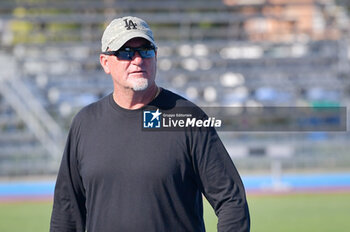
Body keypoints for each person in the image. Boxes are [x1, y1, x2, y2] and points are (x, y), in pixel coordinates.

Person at [50, 16, 250, 232]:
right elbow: (66, 213)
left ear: (155, 56)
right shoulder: (85, 123)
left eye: (145, 51)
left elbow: (232, 201)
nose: (137, 60)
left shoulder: (187, 119)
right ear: (105, 62)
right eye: (125, 52)